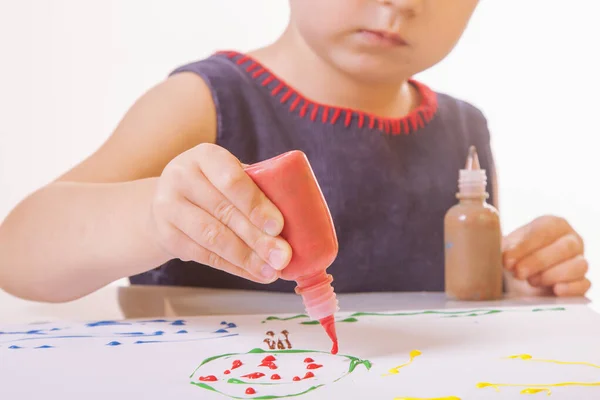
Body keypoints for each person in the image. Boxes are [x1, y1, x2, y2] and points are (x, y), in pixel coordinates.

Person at [0, 0, 589, 303]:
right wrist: (154, 215)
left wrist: (522, 283)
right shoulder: (205, 102)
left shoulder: (465, 129)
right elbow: (18, 253)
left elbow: (455, 295)